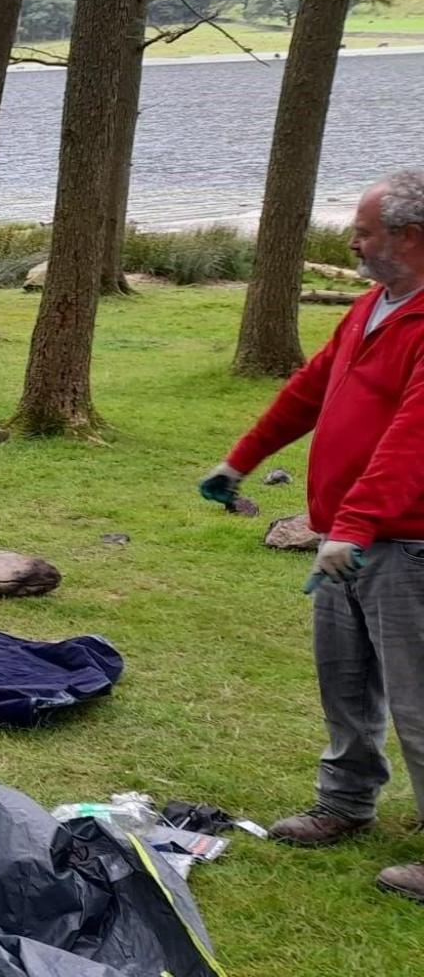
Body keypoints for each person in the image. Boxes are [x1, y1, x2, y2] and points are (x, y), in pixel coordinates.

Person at [199, 171, 424, 904]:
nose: (352, 242)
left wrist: (355, 526)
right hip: (345, 539)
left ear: (409, 238)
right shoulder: (369, 308)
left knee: (418, 698)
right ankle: (346, 804)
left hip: (407, 545)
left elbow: (411, 440)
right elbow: (309, 391)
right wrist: (242, 459)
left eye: (364, 232)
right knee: (345, 680)